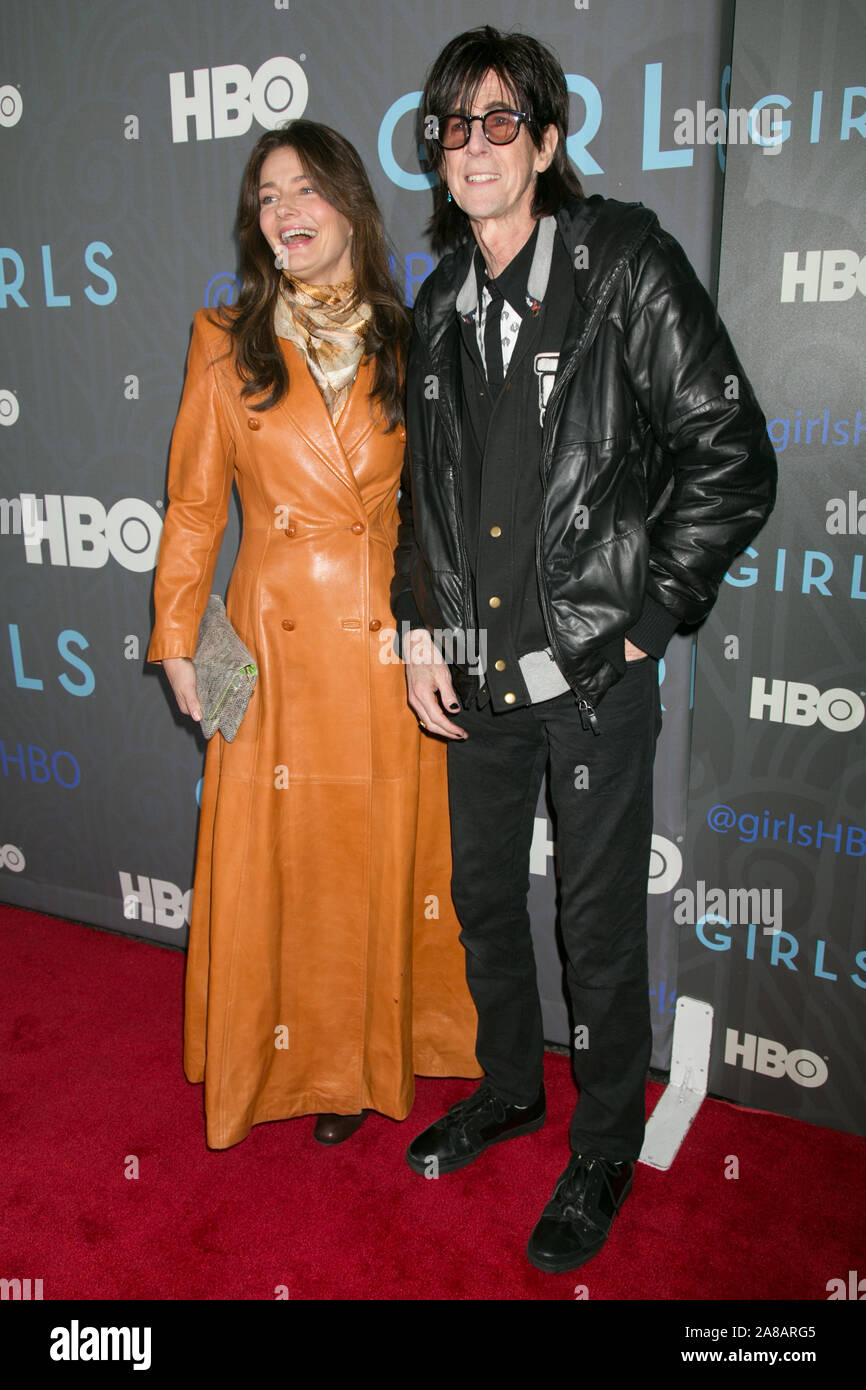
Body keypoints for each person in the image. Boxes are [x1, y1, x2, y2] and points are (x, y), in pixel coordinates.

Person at [391, 26, 777, 1271]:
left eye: (501, 120)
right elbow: (425, 505)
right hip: (478, 672)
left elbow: (732, 459)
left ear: (547, 141)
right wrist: (420, 633)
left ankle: (603, 1143)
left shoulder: (622, 262)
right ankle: (512, 1086)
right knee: (485, 899)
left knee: (597, 925)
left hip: (594, 680)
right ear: (437, 157)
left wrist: (642, 627)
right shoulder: (438, 302)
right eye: (454, 126)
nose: (475, 145)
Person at [147, 119, 479, 1152]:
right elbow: (195, 510)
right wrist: (175, 640)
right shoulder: (223, 340)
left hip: (383, 643)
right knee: (271, 856)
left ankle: (352, 1057)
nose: (284, 211)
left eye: (303, 190)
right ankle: (271, 1052)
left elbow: (442, 506)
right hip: (262, 643)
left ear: (348, 204)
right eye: (265, 198)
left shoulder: (415, 336)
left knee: (362, 860)